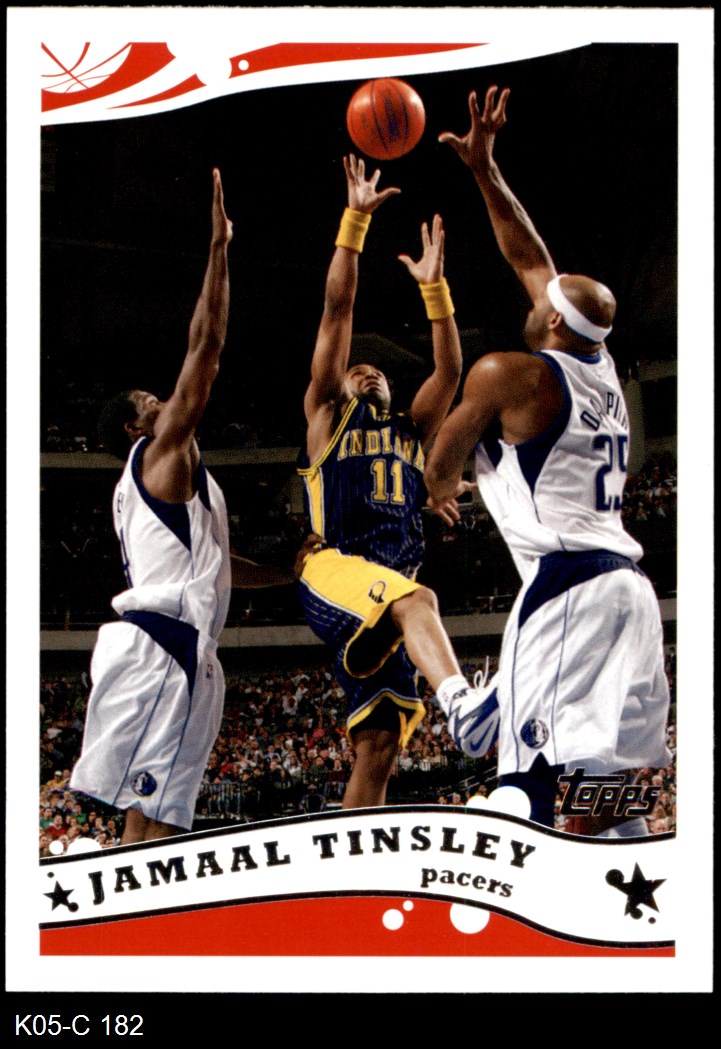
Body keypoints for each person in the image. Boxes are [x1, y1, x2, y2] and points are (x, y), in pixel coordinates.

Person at [424, 86, 672, 835]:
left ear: (553, 322)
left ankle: (479, 721)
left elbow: (439, 465)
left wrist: (444, 485)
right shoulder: (597, 366)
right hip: (629, 592)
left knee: (523, 772)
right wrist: (484, 168)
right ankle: (627, 886)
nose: (534, 291)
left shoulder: (510, 373)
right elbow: (530, 256)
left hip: (567, 588)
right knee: (605, 783)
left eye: (544, 297)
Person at [296, 154, 498, 810]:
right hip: (336, 569)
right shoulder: (328, 416)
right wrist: (354, 221)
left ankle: (354, 856)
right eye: (356, 369)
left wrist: (434, 289)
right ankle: (463, 705)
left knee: (379, 745)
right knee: (418, 600)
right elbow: (337, 309)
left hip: (388, 589)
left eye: (376, 370)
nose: (368, 370)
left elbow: (450, 369)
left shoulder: (412, 430)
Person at [70, 170, 235, 845]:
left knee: (151, 815)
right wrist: (218, 249)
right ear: (137, 428)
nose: (165, 402)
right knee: (154, 821)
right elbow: (206, 347)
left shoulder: (165, 486)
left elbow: (218, 563)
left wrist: (293, 569)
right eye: (151, 402)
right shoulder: (158, 455)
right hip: (164, 644)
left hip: (167, 645)